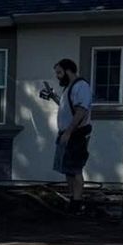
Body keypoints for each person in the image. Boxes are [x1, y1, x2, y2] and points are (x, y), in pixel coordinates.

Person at [40, 58, 93, 202]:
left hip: (76, 135)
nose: (57, 76)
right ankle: (72, 199)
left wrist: (69, 132)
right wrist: (53, 97)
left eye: (59, 72)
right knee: (67, 170)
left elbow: (81, 111)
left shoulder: (81, 86)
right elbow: (67, 108)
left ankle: (77, 203)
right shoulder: (68, 88)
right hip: (66, 134)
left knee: (75, 169)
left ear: (68, 71)